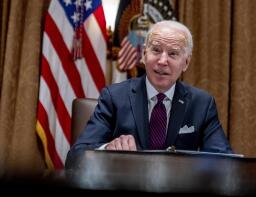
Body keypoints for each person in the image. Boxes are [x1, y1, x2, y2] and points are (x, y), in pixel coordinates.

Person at [66, 20, 233, 164]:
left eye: (173, 53)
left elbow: (225, 160)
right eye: (156, 50)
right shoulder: (114, 97)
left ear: (186, 62)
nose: (162, 61)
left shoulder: (202, 104)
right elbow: (76, 156)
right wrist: (107, 149)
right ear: (145, 54)